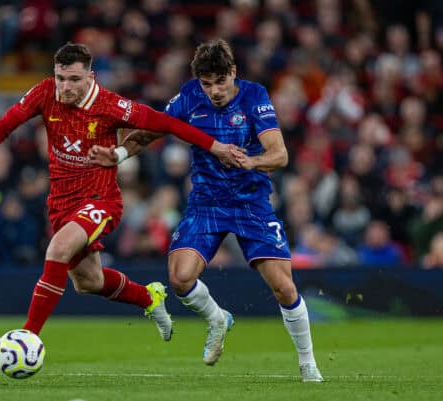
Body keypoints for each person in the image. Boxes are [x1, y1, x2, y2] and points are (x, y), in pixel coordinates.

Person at [0, 43, 245, 342]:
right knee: (89, 282)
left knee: (58, 249)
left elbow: (167, 123)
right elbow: (7, 123)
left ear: (90, 76)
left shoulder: (110, 106)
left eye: (74, 79)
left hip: (99, 201)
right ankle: (148, 298)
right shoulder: (44, 93)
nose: (65, 86)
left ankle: (28, 338)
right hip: (61, 204)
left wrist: (216, 147)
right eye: (61, 78)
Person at [88, 39, 324, 382]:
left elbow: (280, 154)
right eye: (206, 83)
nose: (213, 91)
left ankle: (308, 364)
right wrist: (119, 156)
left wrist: (253, 160)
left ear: (233, 72)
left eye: (219, 81)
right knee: (180, 278)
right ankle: (217, 318)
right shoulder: (188, 97)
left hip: (250, 203)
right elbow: (147, 134)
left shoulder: (254, 96)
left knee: (284, 288)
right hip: (206, 203)